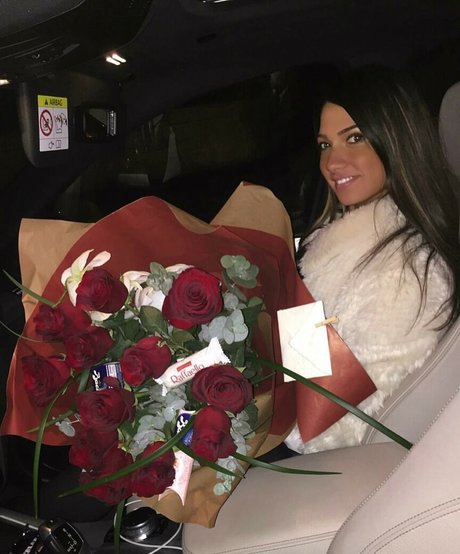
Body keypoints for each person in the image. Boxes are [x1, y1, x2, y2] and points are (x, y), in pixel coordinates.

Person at [285, 65, 460, 454]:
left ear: (396, 141)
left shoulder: (403, 270)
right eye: (325, 145)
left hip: (340, 466)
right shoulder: (343, 250)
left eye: (355, 138)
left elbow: (355, 428)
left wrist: (254, 416)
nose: (332, 163)